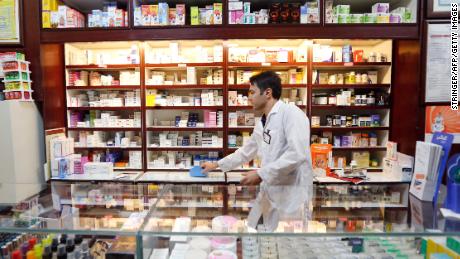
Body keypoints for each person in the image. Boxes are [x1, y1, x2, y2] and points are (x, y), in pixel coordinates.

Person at [201, 71, 313, 231]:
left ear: (268, 93)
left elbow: (297, 154)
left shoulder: (292, 114)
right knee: (262, 235)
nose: (249, 97)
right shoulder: (262, 123)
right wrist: (216, 165)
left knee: (288, 243)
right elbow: (246, 151)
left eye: (252, 92)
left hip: (291, 194)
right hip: (270, 190)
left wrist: (261, 174)